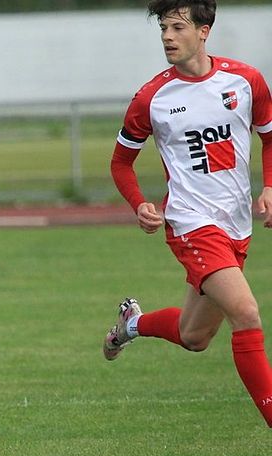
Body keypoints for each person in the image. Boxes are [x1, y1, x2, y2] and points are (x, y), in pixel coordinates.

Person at [104, 0, 272, 427]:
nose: (167, 36)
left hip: (236, 225)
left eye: (177, 27)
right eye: (163, 28)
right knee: (246, 313)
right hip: (191, 223)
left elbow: (270, 138)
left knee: (194, 336)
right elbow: (121, 163)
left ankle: (131, 325)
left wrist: (270, 186)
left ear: (204, 31)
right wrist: (140, 203)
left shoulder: (246, 81)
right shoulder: (151, 98)